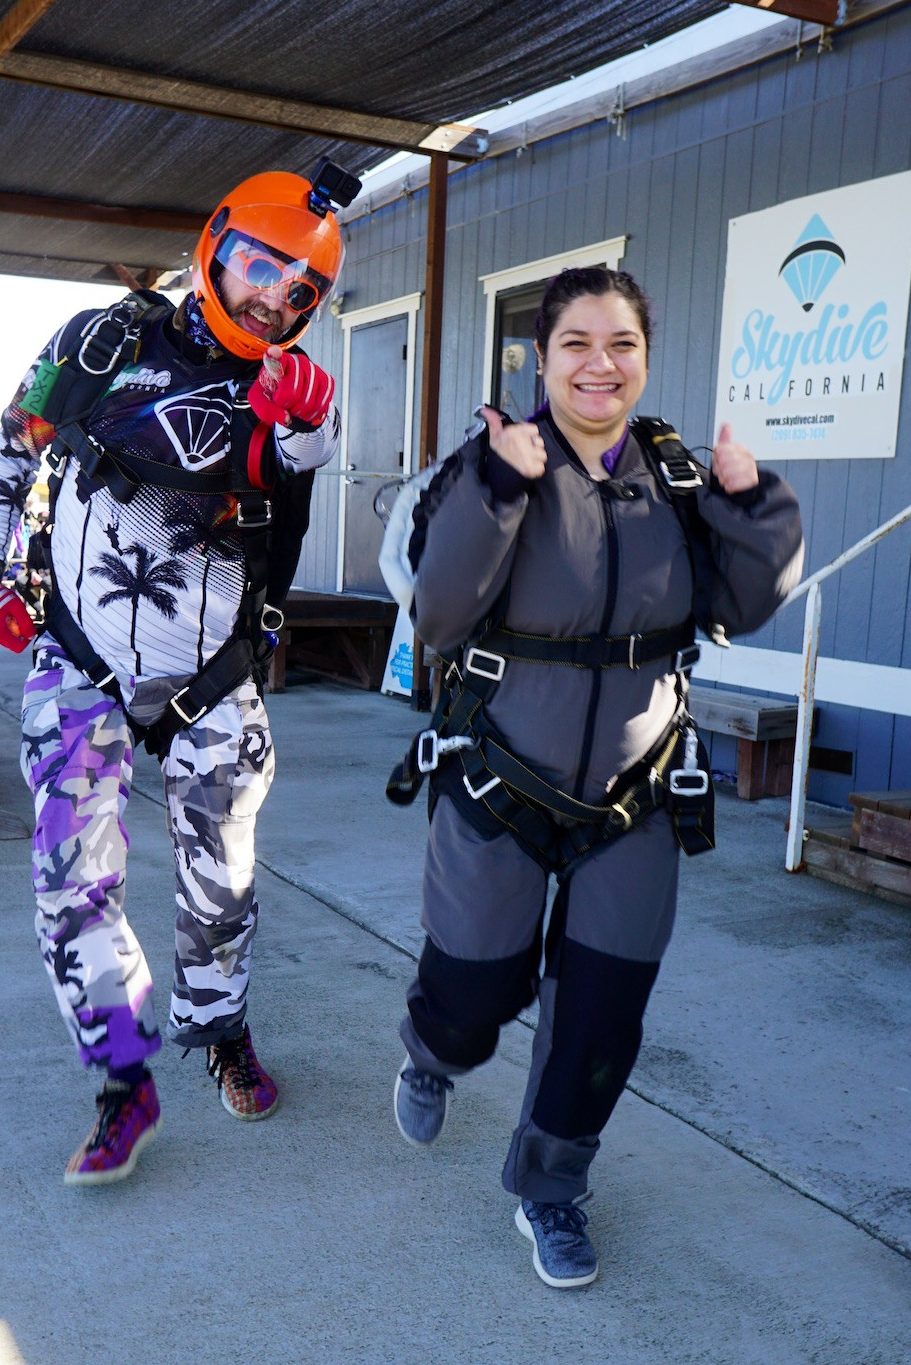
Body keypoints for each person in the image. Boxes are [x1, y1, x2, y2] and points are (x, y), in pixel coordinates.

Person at [389, 266, 804, 1288]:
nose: (598, 364)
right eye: (576, 342)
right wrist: (497, 489)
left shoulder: (672, 478)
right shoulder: (492, 465)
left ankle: (550, 1188)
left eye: (619, 344)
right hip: (501, 780)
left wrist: (753, 505)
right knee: (473, 991)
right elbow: (436, 614)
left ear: (643, 359)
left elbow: (743, 602)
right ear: (541, 355)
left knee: (600, 1017)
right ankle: (433, 1051)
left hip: (637, 795)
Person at [0, 165, 357, 1185]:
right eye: (260, 267)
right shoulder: (98, 344)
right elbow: (10, 445)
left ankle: (220, 1030)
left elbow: (306, 458)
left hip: (210, 674)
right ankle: (123, 1080)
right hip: (79, 659)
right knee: (70, 884)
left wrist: (308, 429)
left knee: (222, 886)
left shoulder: (290, 393)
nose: (272, 301)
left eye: (302, 294)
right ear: (215, 242)